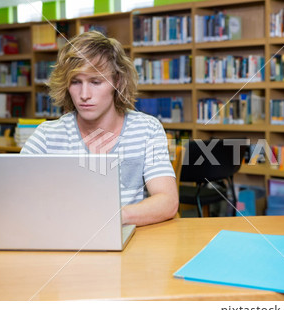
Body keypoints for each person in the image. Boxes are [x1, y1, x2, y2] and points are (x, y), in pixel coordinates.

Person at [21, 31, 178, 226]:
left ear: (117, 82)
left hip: (130, 241)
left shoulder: (147, 129)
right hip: (63, 237)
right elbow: (16, 197)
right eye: (76, 82)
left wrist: (112, 217)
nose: (84, 95)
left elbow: (168, 201)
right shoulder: (46, 135)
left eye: (96, 82)